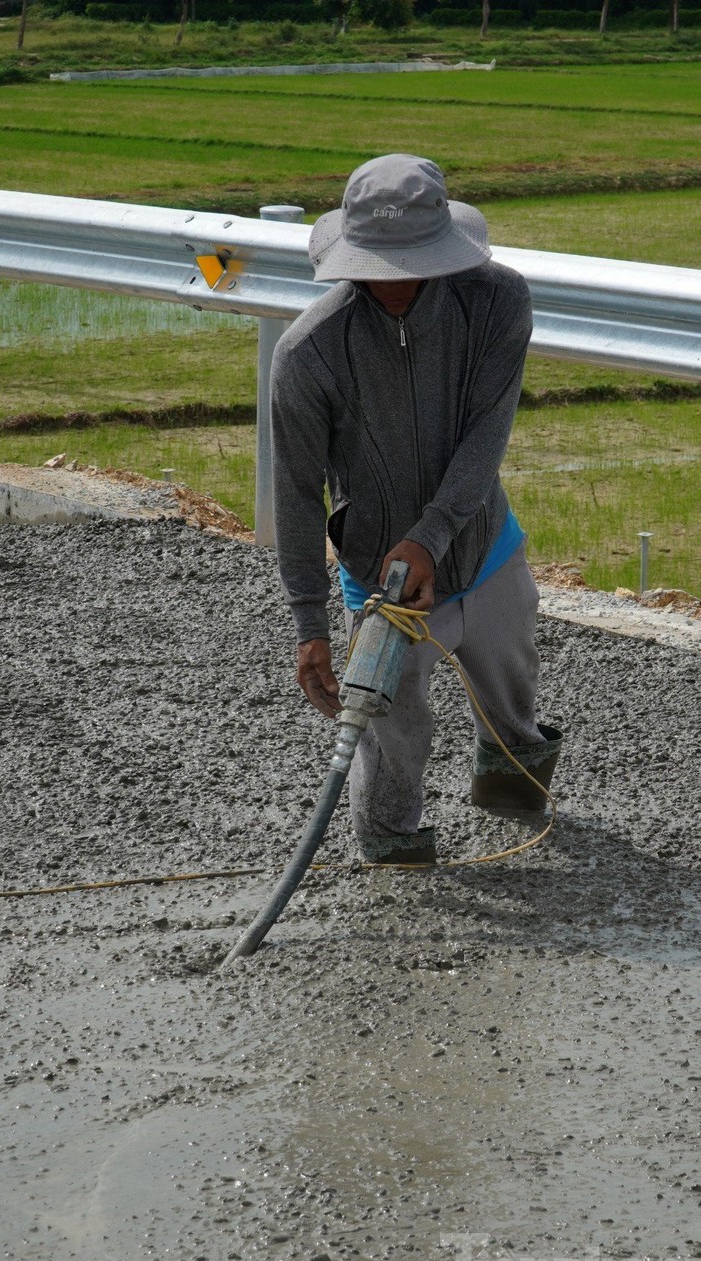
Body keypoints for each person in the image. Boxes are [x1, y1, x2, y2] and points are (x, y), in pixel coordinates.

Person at [270, 154, 561, 866]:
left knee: (512, 695)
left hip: (482, 547)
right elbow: (297, 495)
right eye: (378, 266)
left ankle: (513, 803)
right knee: (390, 731)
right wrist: (310, 623)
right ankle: (393, 850)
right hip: (380, 577)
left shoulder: (495, 303)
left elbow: (485, 435)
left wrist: (431, 537)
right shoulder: (309, 355)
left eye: (413, 265)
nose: (394, 284)